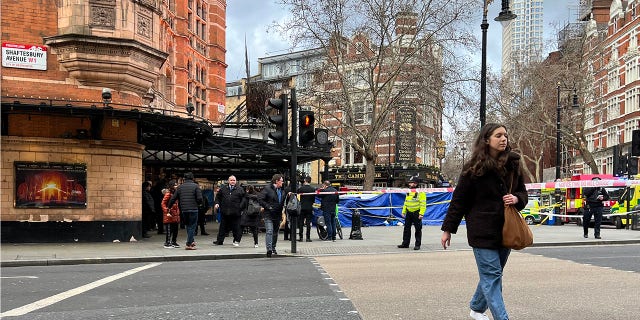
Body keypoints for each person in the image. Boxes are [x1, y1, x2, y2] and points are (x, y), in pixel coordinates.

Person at [440, 123, 527, 320]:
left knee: (494, 275)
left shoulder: (513, 164)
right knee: (492, 276)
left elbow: (523, 192)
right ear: (486, 140)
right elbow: (459, 201)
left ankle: (477, 308)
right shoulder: (473, 167)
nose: (504, 139)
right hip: (482, 231)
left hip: (506, 229)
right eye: (498, 135)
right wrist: (448, 229)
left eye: (505, 135)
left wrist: (516, 199)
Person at [168, 172, 203, 250]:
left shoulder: (180, 187)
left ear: (184, 179)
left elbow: (173, 198)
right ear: (192, 178)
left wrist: (169, 207)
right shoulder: (196, 186)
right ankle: (189, 244)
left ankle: (192, 241)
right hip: (193, 209)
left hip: (184, 209)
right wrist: (199, 204)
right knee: (192, 226)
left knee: (188, 226)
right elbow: (200, 198)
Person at [257, 174, 286, 257]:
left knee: (275, 232)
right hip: (268, 214)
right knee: (269, 231)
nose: (282, 182)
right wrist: (268, 207)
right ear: (276, 181)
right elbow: (260, 199)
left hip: (277, 214)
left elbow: (283, 199)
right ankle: (269, 249)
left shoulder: (282, 190)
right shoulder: (267, 189)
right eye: (281, 180)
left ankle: (273, 248)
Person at [213, 175, 246, 246]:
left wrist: (240, 207)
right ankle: (219, 241)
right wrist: (217, 203)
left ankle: (236, 240)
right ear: (228, 181)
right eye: (231, 180)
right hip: (225, 212)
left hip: (236, 212)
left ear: (236, 181)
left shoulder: (240, 189)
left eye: (234, 180)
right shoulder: (223, 189)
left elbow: (244, 199)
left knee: (236, 228)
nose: (232, 182)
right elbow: (218, 197)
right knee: (222, 227)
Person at [398, 176, 426, 250]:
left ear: (416, 184)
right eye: (410, 182)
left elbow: (423, 204)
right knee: (406, 229)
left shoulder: (421, 192)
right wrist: (403, 211)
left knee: (418, 229)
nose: (410, 184)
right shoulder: (409, 191)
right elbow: (406, 202)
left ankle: (417, 244)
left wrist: (421, 213)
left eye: (412, 182)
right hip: (409, 212)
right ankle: (405, 243)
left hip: (417, 212)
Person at [161, 180, 180, 248]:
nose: (176, 186)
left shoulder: (175, 193)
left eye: (176, 185)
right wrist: (167, 211)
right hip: (169, 215)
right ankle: (167, 243)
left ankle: (173, 242)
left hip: (175, 215)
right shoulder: (168, 194)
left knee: (175, 230)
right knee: (169, 230)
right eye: (175, 185)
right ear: (171, 186)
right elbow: (163, 203)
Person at [297, 176, 317, 242]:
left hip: (302, 207)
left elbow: (298, 197)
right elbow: (313, 199)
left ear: (305, 180)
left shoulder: (300, 189)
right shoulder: (313, 189)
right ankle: (308, 238)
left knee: (301, 222)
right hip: (309, 207)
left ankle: (301, 237)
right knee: (308, 223)